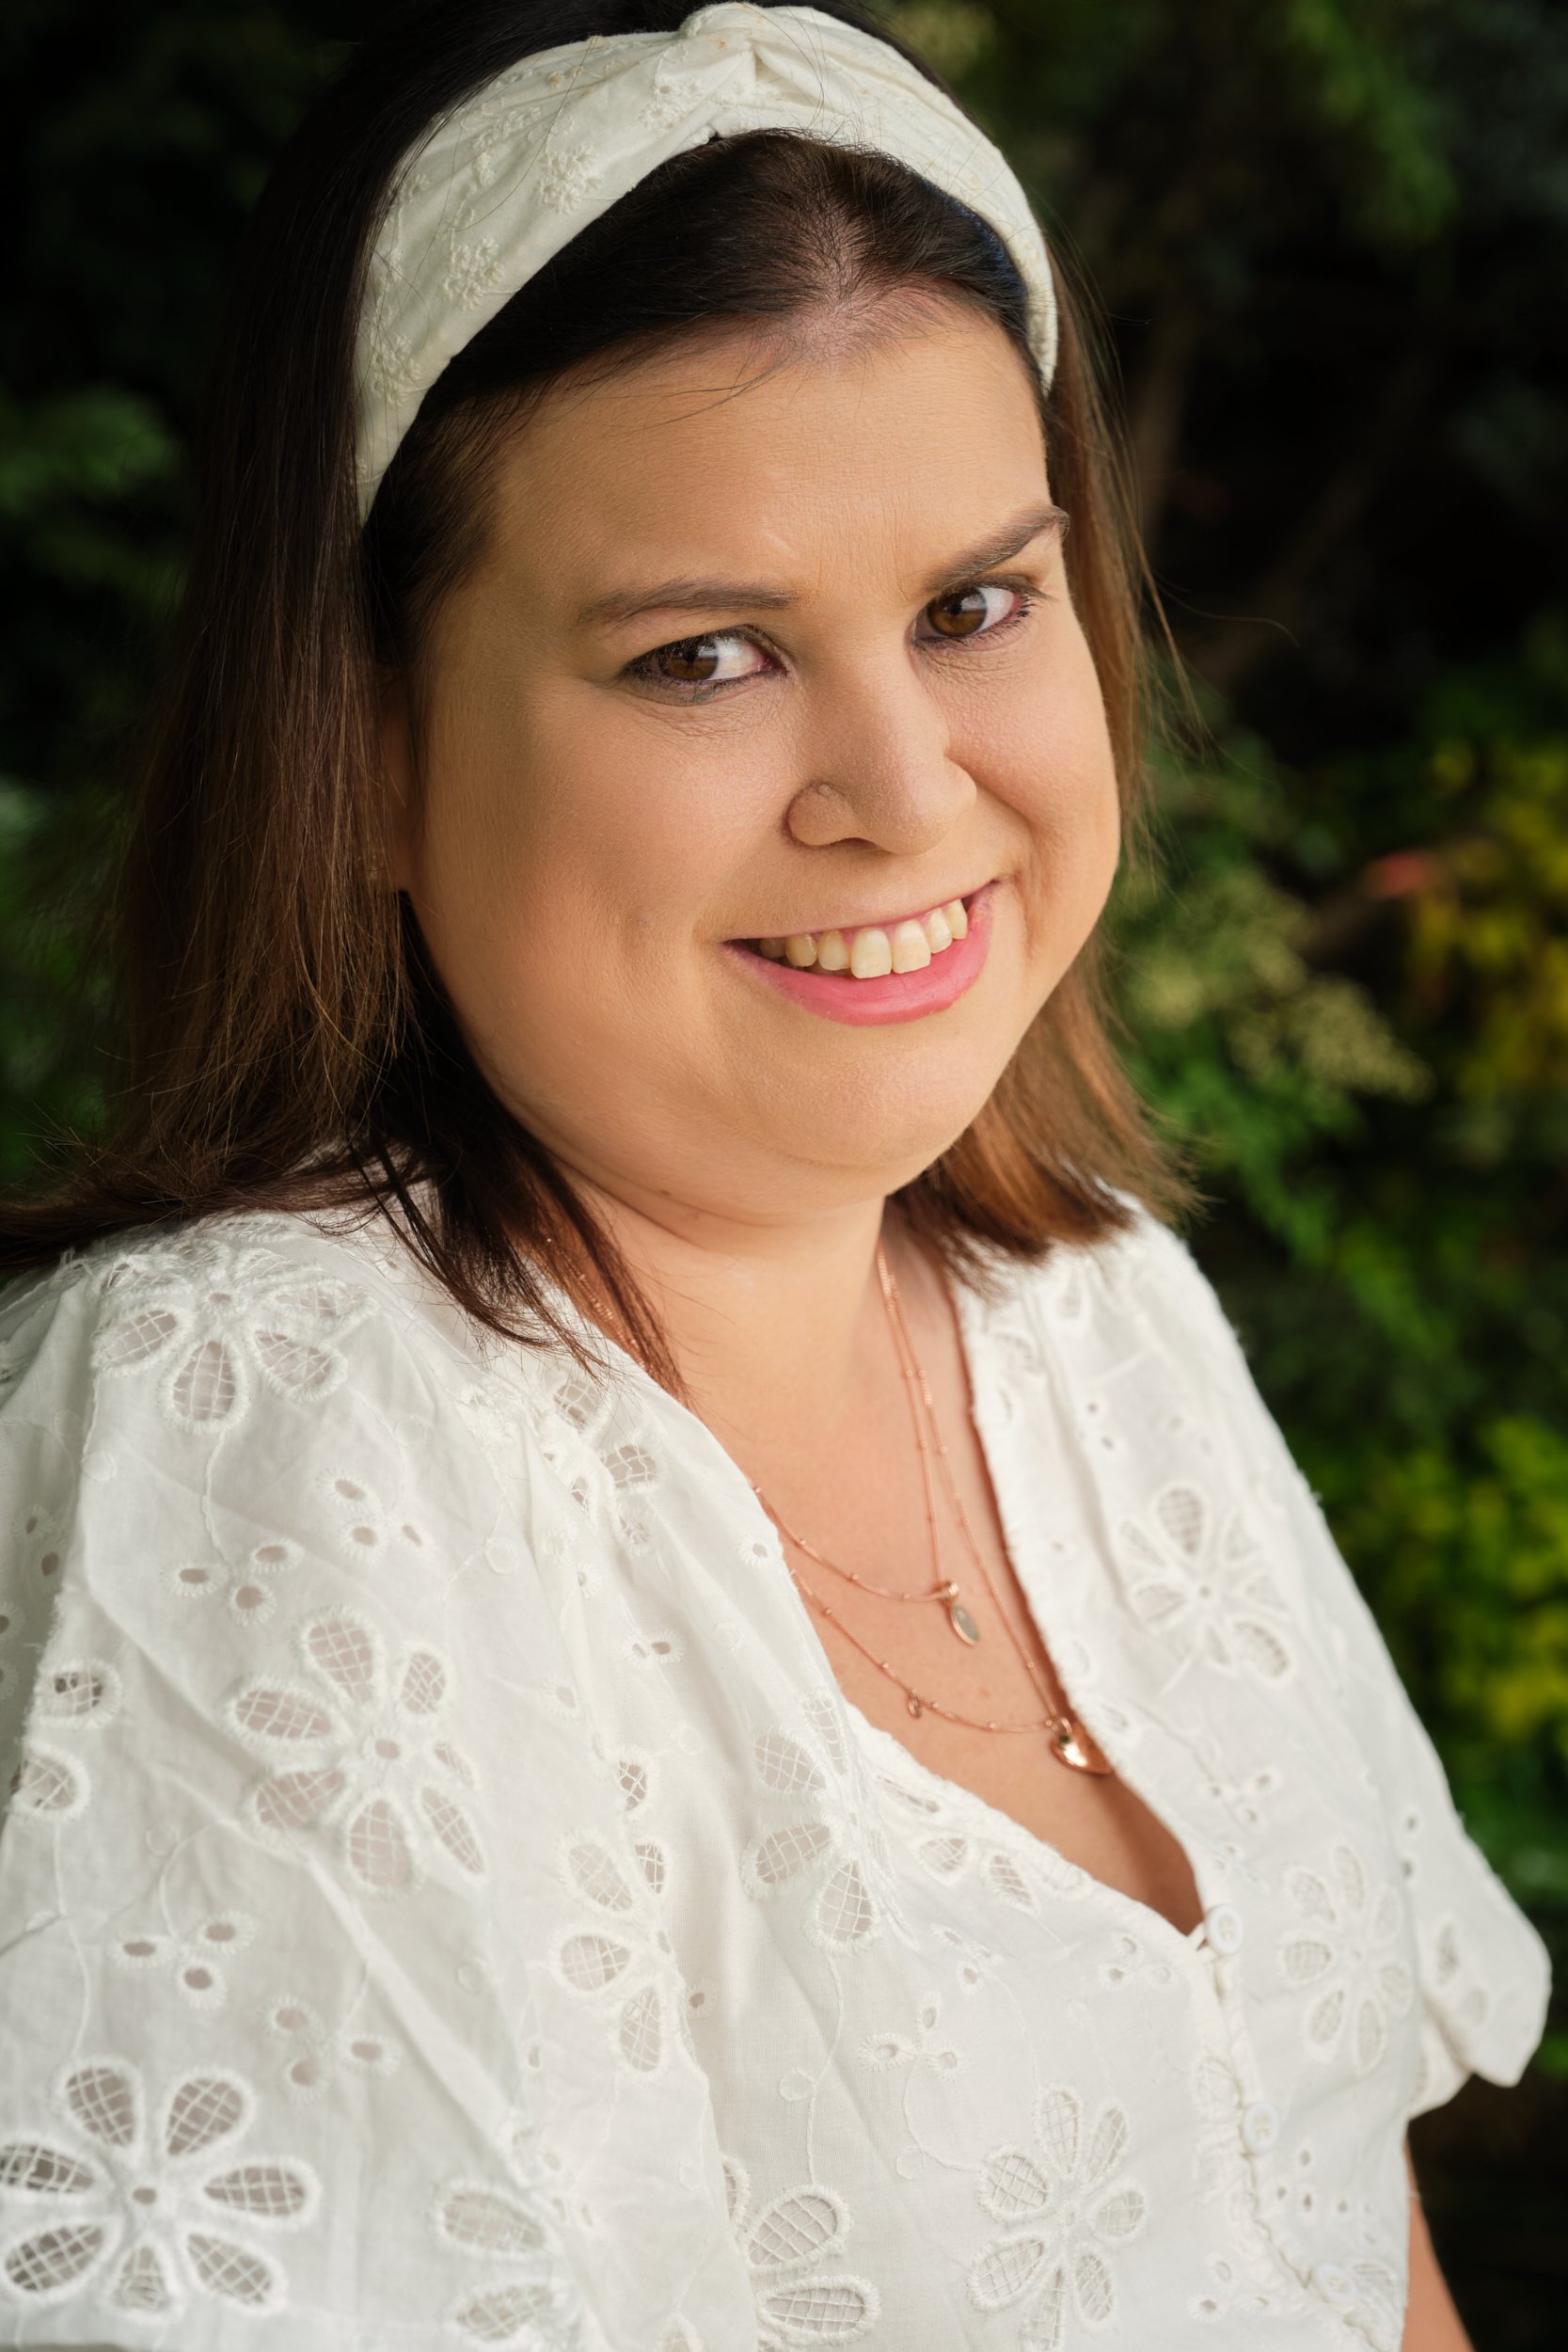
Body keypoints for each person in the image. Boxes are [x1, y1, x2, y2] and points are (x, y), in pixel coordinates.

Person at [0, 4, 1547, 2346]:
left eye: (974, 605)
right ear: (376, 755)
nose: (908, 791)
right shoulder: (255, 1423)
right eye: (705, 652)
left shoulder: (1096, 1306)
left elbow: (1367, 2241)